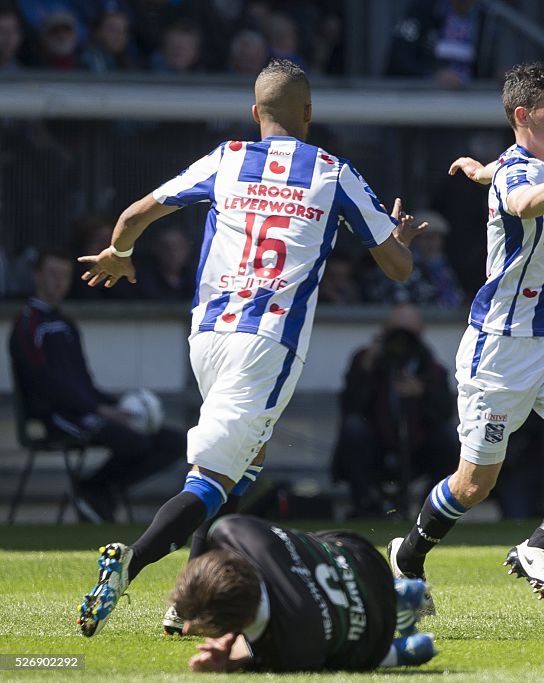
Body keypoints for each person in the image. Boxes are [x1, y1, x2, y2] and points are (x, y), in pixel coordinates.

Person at [75, 58, 423, 637]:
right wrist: (401, 239)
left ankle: (190, 603)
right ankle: (130, 565)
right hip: (267, 342)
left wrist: (120, 254)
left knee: (242, 465)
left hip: (207, 337)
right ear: (309, 114)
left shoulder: (227, 158)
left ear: (255, 112)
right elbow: (399, 269)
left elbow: (136, 215)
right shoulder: (334, 171)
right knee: (211, 476)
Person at [387, 63, 544, 610]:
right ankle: (408, 554)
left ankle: (538, 543)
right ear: (523, 116)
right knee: (474, 485)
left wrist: (478, 171)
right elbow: (521, 199)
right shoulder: (526, 174)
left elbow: (504, 171)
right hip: (501, 349)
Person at [7, 248, 184, 522]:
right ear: (37, 276)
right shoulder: (29, 324)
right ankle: (92, 491)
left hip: (88, 409)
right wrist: (99, 410)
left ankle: (99, 491)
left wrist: (117, 405)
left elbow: (84, 382)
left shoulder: (65, 323)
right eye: (52, 275)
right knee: (133, 442)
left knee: (171, 441)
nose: (58, 282)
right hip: (58, 416)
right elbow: (45, 385)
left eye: (64, 276)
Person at [170, 514, 437, 672]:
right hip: (362, 557)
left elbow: (266, 650)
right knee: (308, 543)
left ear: (235, 626)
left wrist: (232, 662)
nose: (187, 629)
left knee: (344, 658)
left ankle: (404, 652)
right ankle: (401, 593)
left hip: (373, 637)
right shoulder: (234, 531)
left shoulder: (291, 649)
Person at [330, 304, 457, 517]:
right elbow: (349, 407)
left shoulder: (432, 369)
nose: (401, 343)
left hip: (418, 449)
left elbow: (445, 414)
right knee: (353, 428)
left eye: (407, 335)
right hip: (375, 444)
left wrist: (422, 393)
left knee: (448, 436)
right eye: (395, 334)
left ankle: (431, 507)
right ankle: (365, 503)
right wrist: (367, 370)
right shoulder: (365, 361)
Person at [385, 0, 495, 90]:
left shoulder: (486, 16)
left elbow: (486, 67)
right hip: (422, 97)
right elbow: (398, 58)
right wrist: (432, 75)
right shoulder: (422, 10)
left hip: (472, 101)